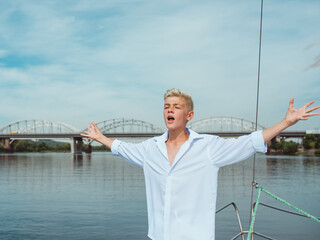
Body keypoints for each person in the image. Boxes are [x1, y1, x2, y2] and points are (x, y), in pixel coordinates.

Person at [81, 88, 320, 240]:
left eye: (176, 107)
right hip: (158, 236)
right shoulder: (149, 149)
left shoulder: (208, 147)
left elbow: (248, 143)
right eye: (166, 107)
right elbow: (123, 149)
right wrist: (101, 138)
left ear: (189, 115)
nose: (170, 110)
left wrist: (286, 122)